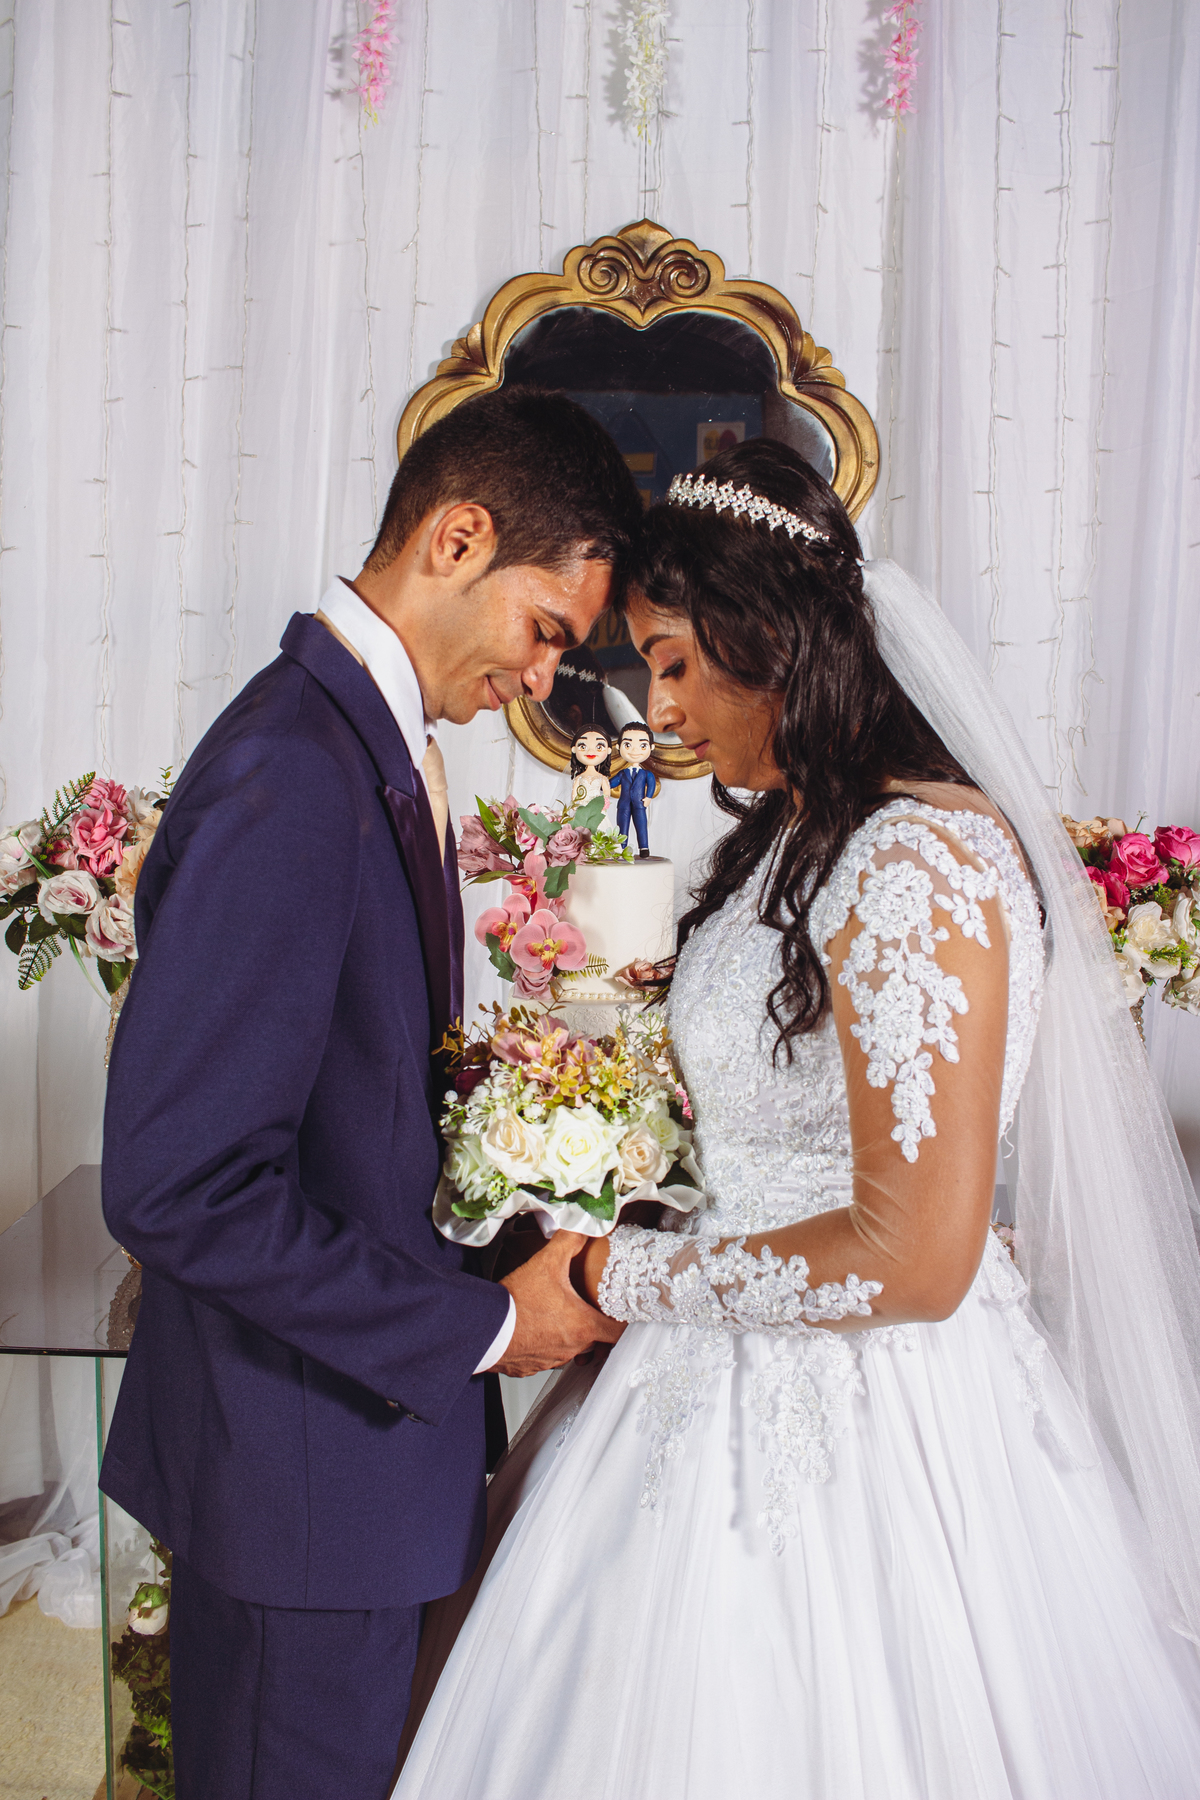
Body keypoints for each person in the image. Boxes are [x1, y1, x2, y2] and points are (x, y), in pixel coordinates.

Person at [393, 440, 1200, 1799]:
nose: (658, 704)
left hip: (876, 1420)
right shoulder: (797, 838)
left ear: (767, 636)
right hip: (709, 1368)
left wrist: (612, 1273)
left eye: (672, 661)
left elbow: (917, 1258)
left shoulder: (915, 863)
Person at [99, 388, 640, 1800]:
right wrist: (478, 1323)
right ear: (460, 538)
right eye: (548, 634)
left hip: (334, 1471)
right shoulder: (294, 769)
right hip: (300, 1486)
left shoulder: (363, 747)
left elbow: (349, 1122)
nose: (542, 679)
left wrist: (504, 1242)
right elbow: (180, 1183)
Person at [610, 720, 660, 856]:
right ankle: (621, 847)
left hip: (640, 804)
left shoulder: (646, 774)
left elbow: (651, 784)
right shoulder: (622, 773)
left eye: (642, 745)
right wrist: (601, 784)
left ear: (651, 747)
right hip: (624, 805)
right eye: (628, 745)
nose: (635, 750)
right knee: (622, 827)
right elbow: (612, 783)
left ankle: (644, 847)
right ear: (619, 746)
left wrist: (649, 797)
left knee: (641, 826)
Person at [567, 724, 613, 810]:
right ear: (574, 749)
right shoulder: (579, 777)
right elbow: (574, 794)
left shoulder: (602, 777)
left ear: (608, 750)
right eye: (583, 747)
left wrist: (603, 805)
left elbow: (606, 793)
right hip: (582, 808)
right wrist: (574, 805)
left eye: (599, 747)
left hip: (597, 809)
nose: (591, 751)